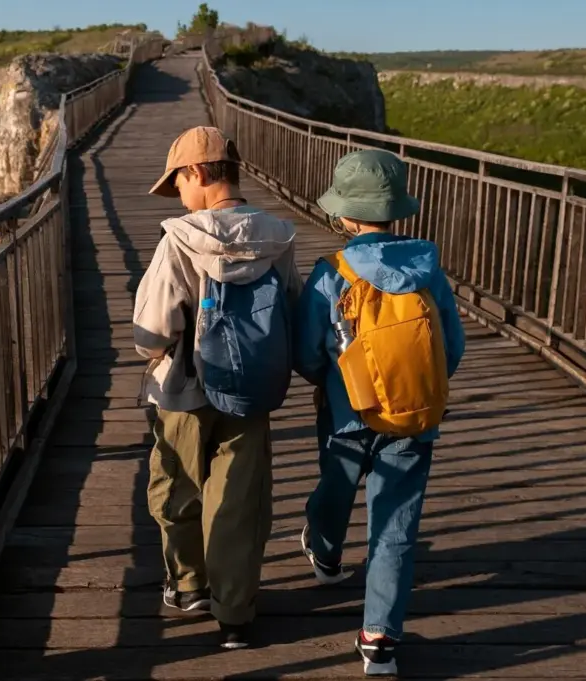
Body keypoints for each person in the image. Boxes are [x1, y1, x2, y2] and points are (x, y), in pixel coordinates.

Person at [293, 149, 465, 675]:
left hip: (348, 414)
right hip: (414, 417)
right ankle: (379, 639)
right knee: (395, 523)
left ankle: (325, 553)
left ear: (346, 215)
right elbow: (451, 348)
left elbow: (307, 354)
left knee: (335, 486)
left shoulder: (331, 273)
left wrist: (333, 380)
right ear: (397, 211)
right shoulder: (427, 268)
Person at [133, 125, 303, 649]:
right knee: (238, 501)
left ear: (197, 173)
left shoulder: (179, 239)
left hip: (185, 390)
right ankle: (235, 612)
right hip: (252, 390)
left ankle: (188, 586)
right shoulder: (277, 237)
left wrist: (155, 351)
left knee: (176, 487)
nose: (179, 196)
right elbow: (293, 307)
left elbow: (152, 332)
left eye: (178, 183)